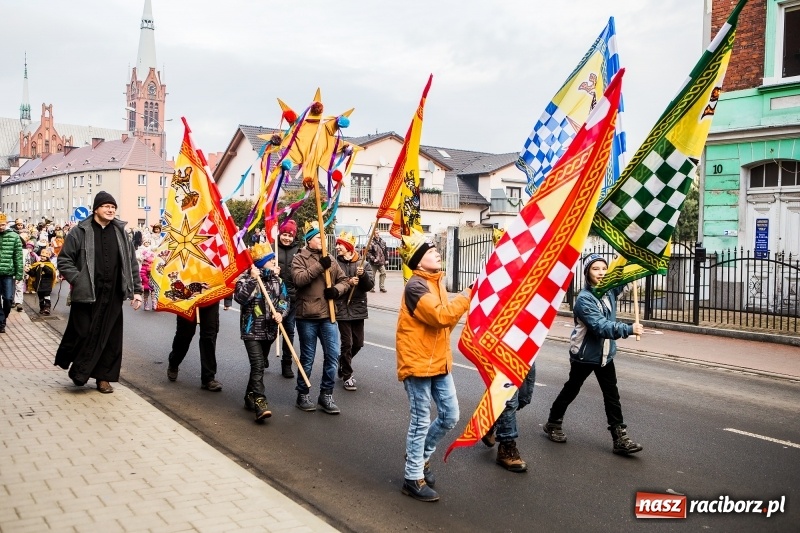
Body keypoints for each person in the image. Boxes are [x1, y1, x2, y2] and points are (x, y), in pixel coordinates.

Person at [543, 253, 644, 455]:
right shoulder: (584, 299)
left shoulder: (608, 292)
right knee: (572, 389)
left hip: (605, 355)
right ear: (587, 272)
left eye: (604, 268)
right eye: (595, 269)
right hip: (585, 355)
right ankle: (553, 423)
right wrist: (628, 330)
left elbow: (621, 277)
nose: (601, 272)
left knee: (612, 396)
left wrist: (629, 261)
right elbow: (600, 326)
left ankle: (619, 438)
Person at [397, 229, 471, 502]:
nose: (437, 253)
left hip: (438, 360)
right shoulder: (416, 286)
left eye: (436, 250)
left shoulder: (436, 281)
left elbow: (445, 324)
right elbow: (441, 317)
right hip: (417, 363)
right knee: (420, 421)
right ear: (418, 262)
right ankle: (412, 478)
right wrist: (467, 296)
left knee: (450, 415)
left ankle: (420, 456)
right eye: (430, 252)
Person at [53, 192, 144, 393]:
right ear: (96, 209)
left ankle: (103, 379)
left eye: (113, 207)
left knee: (111, 339)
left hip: (113, 294)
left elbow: (131, 263)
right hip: (87, 294)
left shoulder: (121, 233)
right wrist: (78, 279)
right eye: (106, 206)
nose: (111, 210)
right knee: (83, 332)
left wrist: (137, 290)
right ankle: (79, 370)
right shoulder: (80, 231)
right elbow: (64, 260)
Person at [291, 220, 350, 414]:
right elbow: (299, 280)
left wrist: (336, 290)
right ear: (309, 240)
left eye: (324, 237)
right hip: (307, 316)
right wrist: (318, 266)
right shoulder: (299, 257)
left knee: (332, 357)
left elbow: (344, 281)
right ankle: (303, 393)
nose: (323, 240)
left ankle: (326, 394)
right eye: (319, 237)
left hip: (328, 315)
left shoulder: (330, 259)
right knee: (307, 357)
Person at [233, 242, 288, 422]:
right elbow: (241, 298)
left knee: (260, 365)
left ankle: (249, 395)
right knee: (257, 365)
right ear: (260, 262)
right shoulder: (245, 279)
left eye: (273, 258)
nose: (274, 261)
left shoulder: (277, 280)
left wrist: (280, 313)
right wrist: (252, 279)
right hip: (251, 331)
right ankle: (260, 402)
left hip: (269, 331)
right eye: (270, 259)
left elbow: (284, 300)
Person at [334, 231, 374, 391]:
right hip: (342, 306)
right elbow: (331, 283)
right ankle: (347, 376)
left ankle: (342, 361)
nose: (337, 247)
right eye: (337, 244)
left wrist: (363, 276)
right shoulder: (335, 263)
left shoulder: (363, 264)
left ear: (349, 247)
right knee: (347, 343)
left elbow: (369, 285)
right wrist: (348, 282)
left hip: (358, 307)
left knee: (358, 343)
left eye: (340, 244)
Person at [480, 364, 536, 473]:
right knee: (509, 399)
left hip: (527, 350)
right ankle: (506, 448)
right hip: (504, 351)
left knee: (523, 397)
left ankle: (490, 424)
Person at [166, 299, 224, 391]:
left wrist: (228, 298)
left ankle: (208, 378)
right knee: (184, 334)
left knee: (209, 336)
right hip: (188, 296)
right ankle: (174, 362)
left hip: (211, 296)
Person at [276, 219, 299, 378]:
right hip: (274, 296)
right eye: (284, 234)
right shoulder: (272, 248)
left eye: (289, 235)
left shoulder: (299, 251)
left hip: (292, 297)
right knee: (271, 330)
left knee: (289, 331)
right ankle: (263, 356)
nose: (286, 238)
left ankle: (287, 363)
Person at [0, 213, 24, 333]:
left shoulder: (14, 237)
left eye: (3, 224)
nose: (1, 227)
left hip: (8, 273)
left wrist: (19, 274)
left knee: (8, 298)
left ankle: (3, 318)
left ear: (7, 224)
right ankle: (1, 322)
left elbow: (18, 257)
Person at [28, 248, 57, 315]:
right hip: (39, 285)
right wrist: (29, 271)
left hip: (47, 285)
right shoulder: (37, 264)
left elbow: (51, 273)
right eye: (41, 256)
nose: (42, 257)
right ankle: (42, 308)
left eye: (44, 256)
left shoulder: (50, 265)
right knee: (41, 298)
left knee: (47, 297)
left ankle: (47, 308)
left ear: (47, 257)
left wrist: (44, 267)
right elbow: (33, 274)